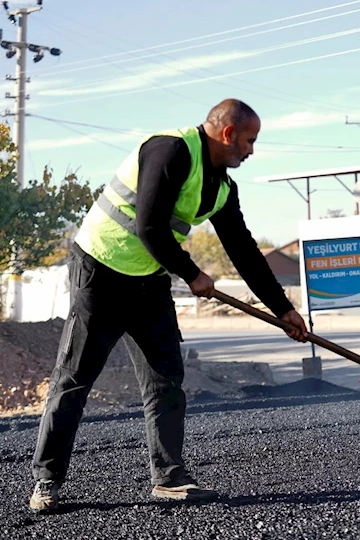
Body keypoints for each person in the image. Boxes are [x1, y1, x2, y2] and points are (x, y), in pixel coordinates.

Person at [28, 99, 309, 514]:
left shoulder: (222, 187)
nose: (251, 151)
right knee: (74, 379)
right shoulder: (171, 150)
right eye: (249, 141)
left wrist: (282, 309)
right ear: (228, 134)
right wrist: (193, 273)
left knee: (165, 380)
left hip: (149, 278)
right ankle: (47, 482)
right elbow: (149, 226)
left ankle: (170, 478)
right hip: (100, 270)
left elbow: (244, 251)